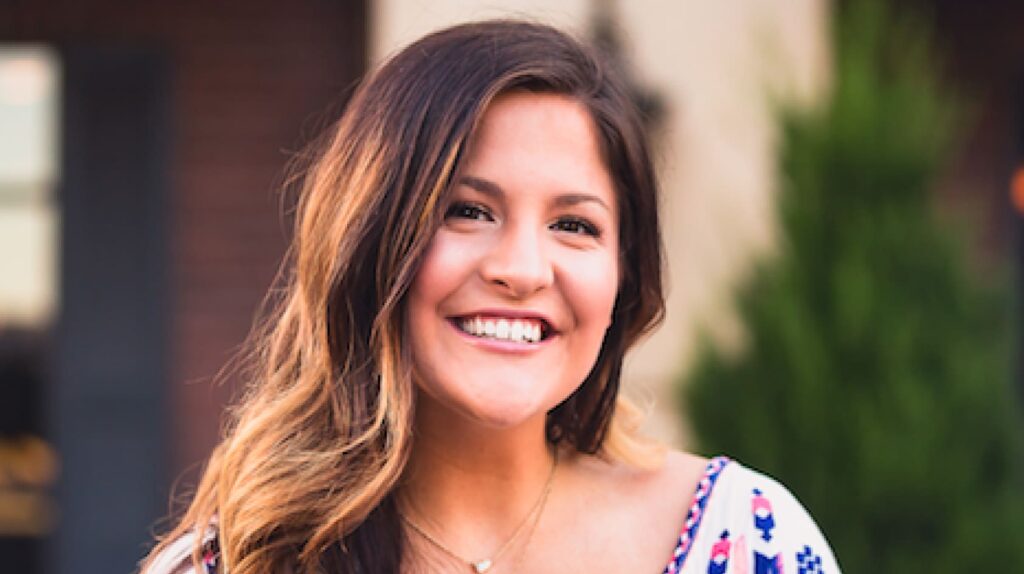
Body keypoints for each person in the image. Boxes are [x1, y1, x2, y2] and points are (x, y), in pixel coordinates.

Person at [142, 20, 841, 574]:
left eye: (574, 225)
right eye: (467, 211)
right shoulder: (236, 565)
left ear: (623, 276)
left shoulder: (752, 539)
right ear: (369, 241)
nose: (523, 269)